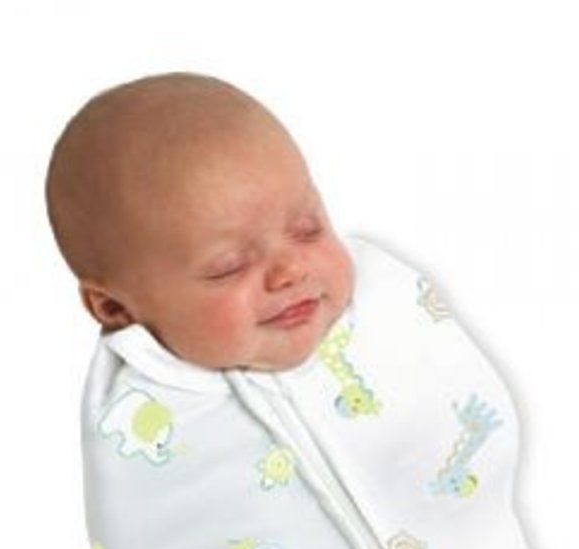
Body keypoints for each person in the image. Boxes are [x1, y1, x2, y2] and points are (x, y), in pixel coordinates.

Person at [45, 72, 355, 371]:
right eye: (229, 267)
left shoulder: (378, 298)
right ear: (117, 308)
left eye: (308, 230)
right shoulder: (151, 404)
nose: (291, 271)